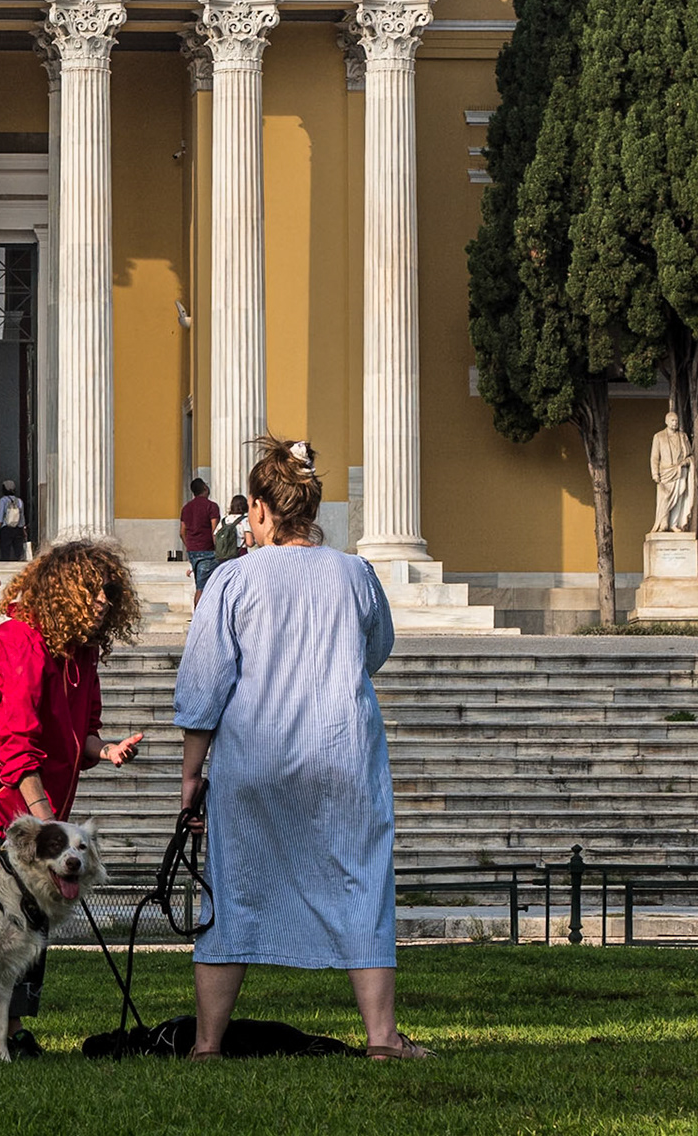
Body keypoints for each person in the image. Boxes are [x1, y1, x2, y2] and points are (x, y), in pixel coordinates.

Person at [174, 437, 426, 1062]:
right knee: (361, 880)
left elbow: (205, 684)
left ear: (259, 511)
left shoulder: (232, 579)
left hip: (254, 759)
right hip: (341, 753)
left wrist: (190, 776)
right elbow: (375, 651)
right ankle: (382, 1037)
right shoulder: (355, 573)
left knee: (231, 889)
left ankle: (208, 1043)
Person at [0, 536, 147, 1056]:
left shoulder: (82, 653)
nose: (102, 601)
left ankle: (11, 1032)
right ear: (64, 591)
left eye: (109, 592)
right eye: (92, 591)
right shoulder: (22, 641)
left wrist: (107, 749)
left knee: (37, 912)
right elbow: (16, 745)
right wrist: (51, 828)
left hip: (32, 801)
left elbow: (81, 734)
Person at [180, 478, 221, 597]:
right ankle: (199, 614)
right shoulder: (211, 506)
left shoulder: (186, 508)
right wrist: (218, 549)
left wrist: (189, 545)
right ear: (205, 488)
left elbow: (182, 531)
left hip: (192, 551)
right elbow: (215, 531)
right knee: (202, 589)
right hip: (207, 550)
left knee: (200, 584)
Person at [0, 480, 28, 563]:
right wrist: (24, 531)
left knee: (5, 551)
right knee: (19, 553)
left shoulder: (3, 500)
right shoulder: (19, 501)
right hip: (17, 529)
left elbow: (0, 516)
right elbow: (21, 518)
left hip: (6, 529)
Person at [213, 494, 252, 566]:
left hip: (224, 555)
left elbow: (215, 537)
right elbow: (249, 542)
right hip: (240, 553)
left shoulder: (224, 520)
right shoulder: (245, 520)